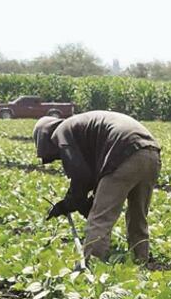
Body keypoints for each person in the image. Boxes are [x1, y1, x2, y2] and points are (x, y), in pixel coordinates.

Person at [33, 110, 161, 264]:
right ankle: (140, 261)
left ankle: (93, 268)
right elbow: (91, 174)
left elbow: (81, 175)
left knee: (99, 220)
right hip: (150, 153)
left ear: (45, 137)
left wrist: (70, 203)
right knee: (137, 216)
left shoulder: (62, 132)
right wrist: (77, 201)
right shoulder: (80, 127)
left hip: (123, 154)